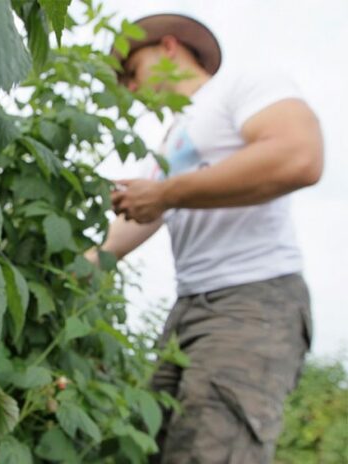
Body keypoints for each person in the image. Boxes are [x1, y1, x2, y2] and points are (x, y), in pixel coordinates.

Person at [85, 13, 324, 464]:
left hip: (250, 303)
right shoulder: (172, 137)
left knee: (210, 452)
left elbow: (299, 155)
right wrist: (81, 266)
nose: (129, 88)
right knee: (145, 449)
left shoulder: (242, 86)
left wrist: (164, 193)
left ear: (169, 47)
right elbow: (144, 216)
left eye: (132, 72)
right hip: (189, 308)